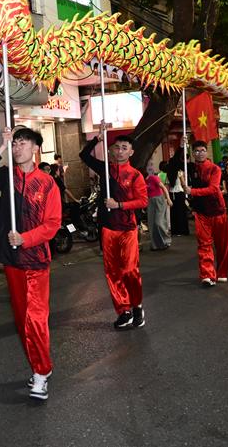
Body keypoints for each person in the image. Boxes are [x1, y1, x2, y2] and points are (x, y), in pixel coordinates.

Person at [0, 127, 62, 401]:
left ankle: (41, 371)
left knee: (35, 319)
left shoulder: (47, 183)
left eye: (23, 144)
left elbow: (52, 225)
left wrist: (25, 238)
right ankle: (40, 366)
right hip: (11, 261)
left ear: (36, 148)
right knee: (21, 320)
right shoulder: (8, 177)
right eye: (16, 144)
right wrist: (2, 145)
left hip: (35, 261)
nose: (18, 148)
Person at [80, 132, 147, 327]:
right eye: (117, 148)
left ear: (131, 152)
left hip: (127, 228)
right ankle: (123, 310)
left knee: (129, 270)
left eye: (124, 148)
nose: (119, 151)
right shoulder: (105, 169)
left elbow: (143, 200)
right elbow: (83, 156)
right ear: (111, 150)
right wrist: (96, 139)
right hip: (107, 227)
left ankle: (137, 306)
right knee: (112, 271)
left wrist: (119, 205)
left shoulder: (135, 175)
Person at [185, 141, 228, 286]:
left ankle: (222, 272)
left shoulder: (215, 169)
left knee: (221, 244)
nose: (200, 153)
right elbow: (175, 164)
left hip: (217, 210)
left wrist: (192, 191)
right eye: (196, 151)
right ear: (192, 153)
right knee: (204, 244)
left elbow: (213, 189)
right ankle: (207, 275)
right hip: (200, 212)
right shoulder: (189, 168)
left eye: (202, 150)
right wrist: (182, 145)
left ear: (207, 152)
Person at [145, 160, 172, 251]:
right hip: (150, 202)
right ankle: (155, 245)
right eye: (148, 166)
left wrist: (168, 199)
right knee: (152, 224)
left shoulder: (154, 178)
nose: (150, 168)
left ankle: (166, 241)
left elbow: (163, 187)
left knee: (159, 222)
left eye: (151, 166)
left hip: (159, 200)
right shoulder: (145, 180)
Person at [165, 154, 189, 236]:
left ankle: (175, 231)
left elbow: (167, 185)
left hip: (172, 194)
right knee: (181, 212)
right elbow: (183, 183)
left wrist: (167, 197)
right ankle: (182, 230)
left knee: (173, 213)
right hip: (180, 193)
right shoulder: (179, 172)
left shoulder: (168, 173)